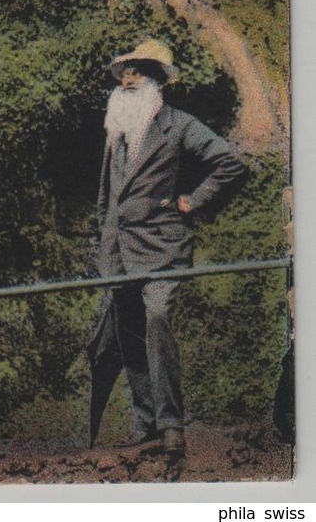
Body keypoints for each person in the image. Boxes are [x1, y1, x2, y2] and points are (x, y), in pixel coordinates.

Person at [94, 39, 246, 455]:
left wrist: (189, 201)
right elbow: (107, 196)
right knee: (128, 330)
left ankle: (171, 424)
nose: (127, 78)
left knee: (156, 316)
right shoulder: (117, 131)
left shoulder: (179, 125)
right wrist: (103, 243)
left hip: (162, 246)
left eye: (138, 71)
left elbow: (230, 163)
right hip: (120, 250)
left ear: (157, 80)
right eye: (125, 71)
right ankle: (145, 421)